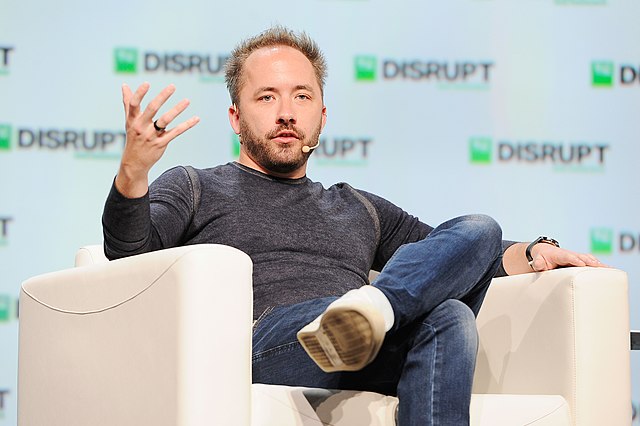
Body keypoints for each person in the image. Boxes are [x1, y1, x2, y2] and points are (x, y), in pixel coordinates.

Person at [102, 26, 605, 425]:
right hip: (266, 345)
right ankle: (366, 310)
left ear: (322, 114)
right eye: (266, 98)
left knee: (471, 253)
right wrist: (133, 172)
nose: (286, 113)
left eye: (302, 97)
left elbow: (457, 256)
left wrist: (537, 250)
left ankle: (375, 308)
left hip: (365, 346)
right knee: (442, 298)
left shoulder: (356, 206)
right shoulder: (195, 185)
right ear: (235, 118)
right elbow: (128, 258)